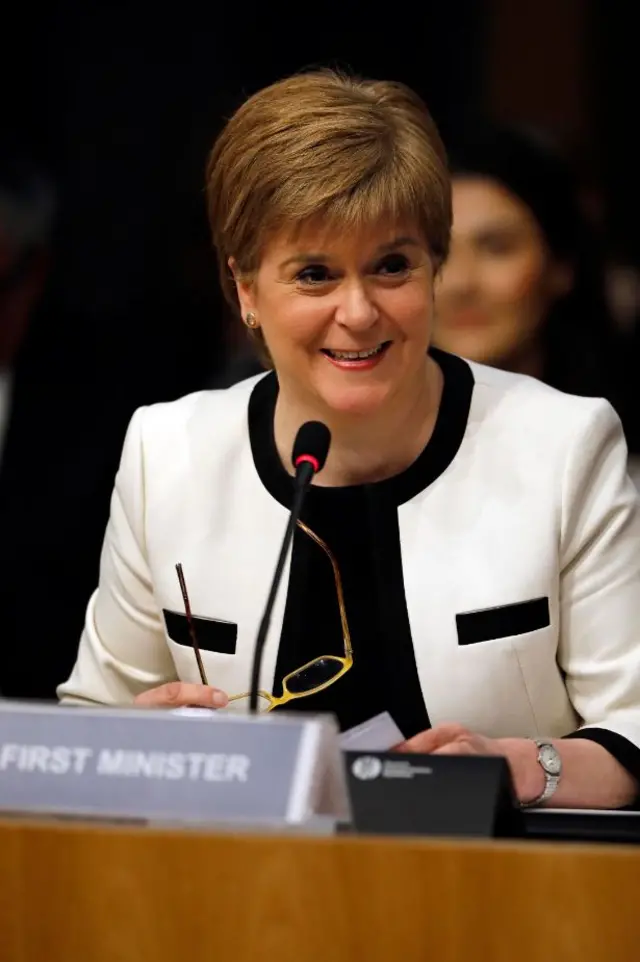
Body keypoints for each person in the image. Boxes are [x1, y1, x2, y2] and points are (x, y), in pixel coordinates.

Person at [58, 70, 640, 810]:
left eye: (391, 266)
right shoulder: (167, 450)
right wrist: (130, 744)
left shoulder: (564, 445)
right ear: (245, 288)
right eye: (314, 274)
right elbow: (87, 731)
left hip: (499, 895)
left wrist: (527, 766)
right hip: (238, 898)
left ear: (434, 263)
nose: (359, 312)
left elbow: (633, 728)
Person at [432, 123, 639, 456]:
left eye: (496, 247)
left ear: (561, 264)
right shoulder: (353, 464)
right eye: (435, 251)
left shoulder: (621, 470)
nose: (460, 283)